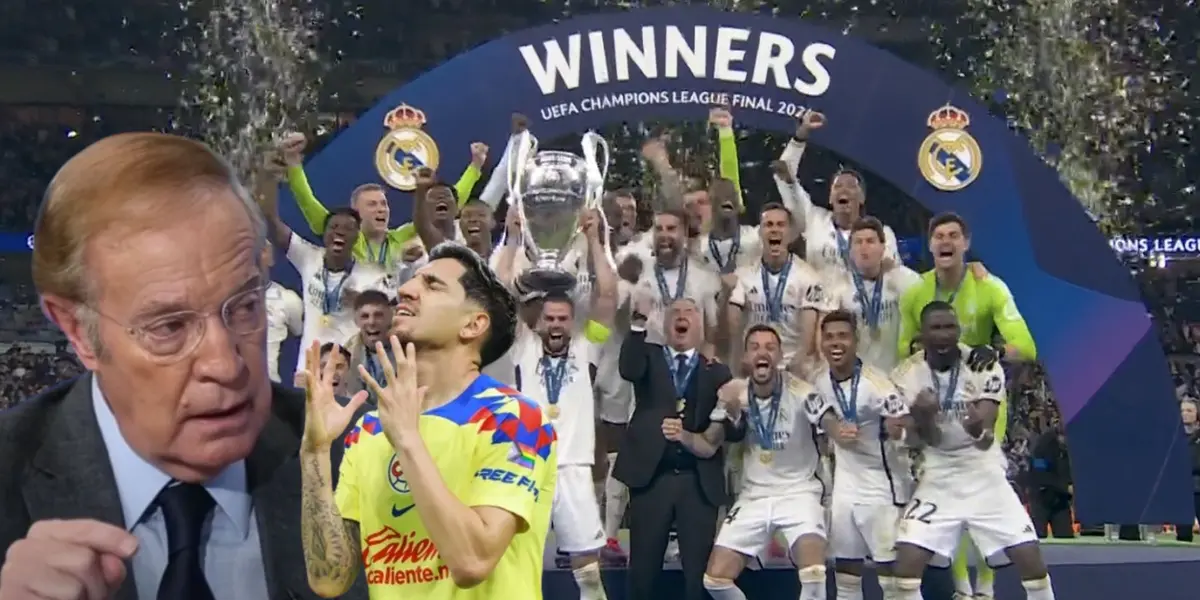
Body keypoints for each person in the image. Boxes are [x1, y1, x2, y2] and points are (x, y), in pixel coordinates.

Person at [0, 132, 366, 600]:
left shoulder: (361, 459)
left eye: (244, 307)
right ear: (76, 331)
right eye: (169, 328)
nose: (224, 364)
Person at [300, 242, 557, 599]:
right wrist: (315, 453)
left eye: (432, 285)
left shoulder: (512, 419)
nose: (405, 290)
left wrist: (408, 439)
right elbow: (329, 578)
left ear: (473, 324)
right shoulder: (370, 429)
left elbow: (472, 561)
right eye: (413, 281)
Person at [897, 212, 1037, 599]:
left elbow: (1026, 346)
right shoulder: (915, 292)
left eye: (953, 235)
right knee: (946, 492)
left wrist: (993, 348)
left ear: (965, 243)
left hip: (983, 392)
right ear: (930, 245)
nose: (946, 241)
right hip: (935, 395)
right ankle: (961, 587)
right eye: (939, 235)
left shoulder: (989, 286)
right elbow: (903, 349)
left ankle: (986, 587)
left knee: (980, 487)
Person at [889, 302, 1056, 600]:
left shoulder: (983, 364)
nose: (943, 335)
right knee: (907, 563)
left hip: (982, 466)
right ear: (922, 334)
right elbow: (916, 441)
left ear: (958, 331)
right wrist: (923, 418)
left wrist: (978, 427)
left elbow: (985, 438)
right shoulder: (905, 376)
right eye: (936, 328)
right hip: (938, 470)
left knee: (1030, 557)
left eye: (949, 327)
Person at [616, 295, 746, 600]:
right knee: (643, 573)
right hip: (653, 479)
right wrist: (637, 323)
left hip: (696, 482)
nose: (681, 316)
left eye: (689, 311)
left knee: (697, 576)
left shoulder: (716, 371)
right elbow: (628, 369)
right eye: (675, 312)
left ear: (700, 325)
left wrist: (736, 413)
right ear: (665, 323)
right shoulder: (648, 356)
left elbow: (733, 431)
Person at [702, 324, 830, 600]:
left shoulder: (803, 392)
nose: (763, 353)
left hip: (799, 492)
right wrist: (725, 416)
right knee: (715, 580)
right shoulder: (735, 393)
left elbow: (828, 426)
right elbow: (709, 441)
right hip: (754, 496)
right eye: (755, 347)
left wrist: (838, 430)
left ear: (780, 356)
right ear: (747, 358)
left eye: (770, 348)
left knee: (814, 573)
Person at [512, 290, 615, 599]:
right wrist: (513, 242)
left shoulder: (588, 348)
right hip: (527, 466)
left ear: (573, 322)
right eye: (549, 318)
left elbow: (607, 298)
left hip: (573, 469)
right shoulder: (523, 347)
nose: (556, 325)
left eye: (562, 319)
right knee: (517, 563)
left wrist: (596, 240)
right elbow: (500, 295)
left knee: (588, 572)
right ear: (538, 322)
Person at [809, 310, 913, 600]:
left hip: (881, 486)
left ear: (856, 341)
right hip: (844, 486)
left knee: (891, 578)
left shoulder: (878, 385)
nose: (835, 343)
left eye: (842, 336)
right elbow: (821, 418)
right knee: (846, 572)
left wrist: (898, 431)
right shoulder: (819, 382)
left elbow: (905, 428)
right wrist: (833, 431)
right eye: (828, 337)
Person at [255, 167, 394, 377]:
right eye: (334, 227)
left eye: (347, 229)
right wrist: (269, 177)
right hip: (307, 372)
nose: (339, 231)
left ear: (357, 238)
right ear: (325, 234)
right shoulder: (309, 257)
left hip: (349, 376)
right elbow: (271, 220)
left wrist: (362, 304)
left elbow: (391, 319)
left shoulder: (372, 275)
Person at [278, 132, 487, 269]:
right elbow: (307, 202)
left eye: (384, 204)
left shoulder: (403, 236)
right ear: (356, 212)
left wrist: (475, 167)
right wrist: (294, 164)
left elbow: (448, 205)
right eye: (372, 204)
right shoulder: (345, 237)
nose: (381, 209)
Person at [771, 111, 900, 282]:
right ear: (830, 198)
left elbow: (893, 275)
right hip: (820, 305)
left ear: (862, 199)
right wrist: (801, 135)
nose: (843, 190)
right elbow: (785, 176)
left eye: (851, 186)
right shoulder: (814, 219)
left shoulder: (882, 233)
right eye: (837, 186)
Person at [726, 203, 830, 369]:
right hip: (754, 365)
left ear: (790, 234)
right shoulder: (743, 276)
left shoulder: (809, 278)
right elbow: (734, 331)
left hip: (794, 365)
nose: (774, 230)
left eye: (780, 225)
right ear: (760, 232)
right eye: (768, 225)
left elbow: (807, 342)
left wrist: (794, 368)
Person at [825, 217, 921, 372]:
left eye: (870, 241)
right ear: (850, 251)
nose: (864, 247)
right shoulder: (838, 288)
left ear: (883, 247)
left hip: (899, 373)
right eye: (858, 242)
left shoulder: (906, 280)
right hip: (859, 378)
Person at [343, 290, 396, 403]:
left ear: (390, 316)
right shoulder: (347, 355)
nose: (371, 322)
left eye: (378, 315)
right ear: (356, 321)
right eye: (365, 316)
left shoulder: (410, 345)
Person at [263, 241, 304, 383]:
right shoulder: (224, 300)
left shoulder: (289, 300)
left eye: (261, 250)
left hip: (271, 390)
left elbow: (298, 332)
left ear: (270, 257)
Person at [1028, 425, 1074, 539]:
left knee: (1066, 539)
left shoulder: (1072, 448)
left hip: (1061, 500)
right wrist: (1066, 487)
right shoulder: (1042, 447)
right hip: (1040, 497)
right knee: (1038, 539)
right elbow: (1041, 476)